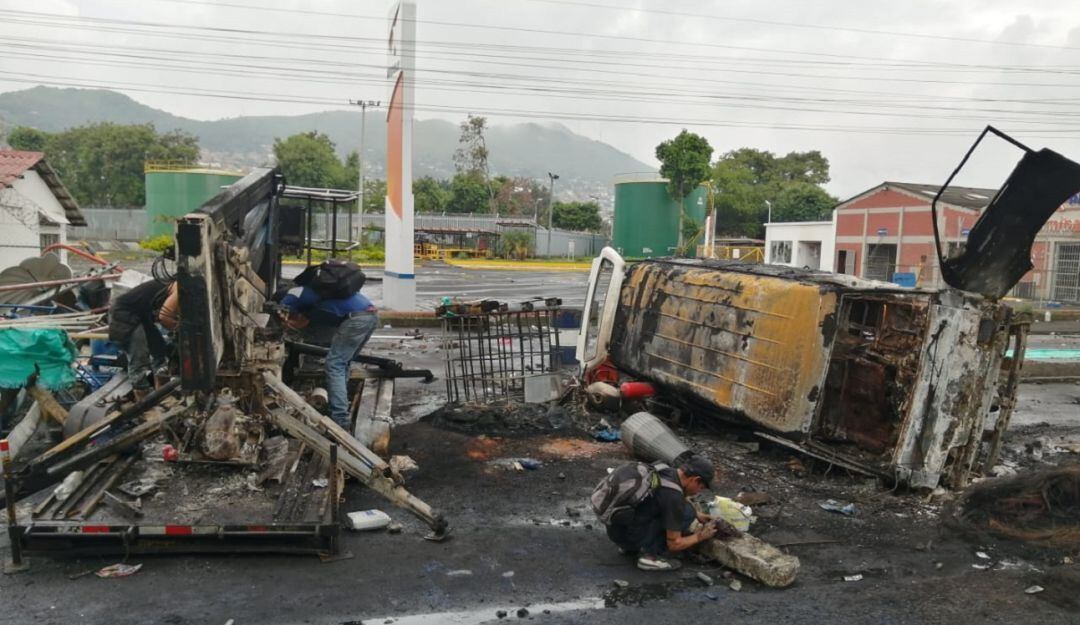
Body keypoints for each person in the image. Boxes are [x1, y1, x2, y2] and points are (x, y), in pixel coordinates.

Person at [277, 279, 378, 430]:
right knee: (343, 363)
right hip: (371, 315)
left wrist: (284, 323)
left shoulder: (292, 295)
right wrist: (292, 324)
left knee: (334, 364)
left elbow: (280, 312)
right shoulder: (313, 291)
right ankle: (339, 407)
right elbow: (303, 321)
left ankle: (340, 418)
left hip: (356, 319)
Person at [602, 454, 726, 572]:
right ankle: (649, 556)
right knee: (687, 514)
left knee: (689, 510)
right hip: (628, 537)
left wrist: (698, 514)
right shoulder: (673, 497)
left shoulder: (663, 469)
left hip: (615, 529)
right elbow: (674, 544)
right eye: (701, 487)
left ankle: (629, 546)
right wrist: (700, 536)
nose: (699, 492)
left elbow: (665, 498)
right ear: (695, 479)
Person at [108, 279, 176, 396]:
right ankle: (142, 397)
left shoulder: (174, 285)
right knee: (139, 356)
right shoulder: (178, 287)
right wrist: (177, 329)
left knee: (159, 349)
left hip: (142, 314)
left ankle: (162, 392)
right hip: (125, 313)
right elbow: (164, 318)